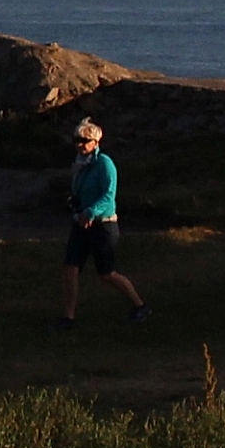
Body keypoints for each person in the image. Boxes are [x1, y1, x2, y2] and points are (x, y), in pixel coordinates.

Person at [58, 118, 150, 327]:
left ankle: (139, 305)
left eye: (84, 140)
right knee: (70, 269)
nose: (80, 144)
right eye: (76, 140)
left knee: (107, 274)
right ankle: (68, 317)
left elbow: (109, 196)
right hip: (81, 224)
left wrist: (90, 212)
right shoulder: (80, 164)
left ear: (96, 142)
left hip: (103, 225)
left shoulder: (105, 164)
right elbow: (80, 191)